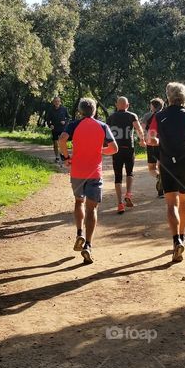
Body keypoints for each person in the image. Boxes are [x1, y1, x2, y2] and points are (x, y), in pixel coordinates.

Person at [146, 83, 185, 263]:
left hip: (166, 161)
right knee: (183, 198)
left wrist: (158, 142)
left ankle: (175, 240)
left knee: (171, 202)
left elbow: (150, 138)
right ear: (184, 97)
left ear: (168, 97)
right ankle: (183, 235)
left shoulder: (159, 116)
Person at [57, 98, 118, 264]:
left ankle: (79, 234)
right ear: (95, 110)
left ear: (80, 111)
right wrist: (100, 150)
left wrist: (66, 157)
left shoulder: (73, 125)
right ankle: (88, 246)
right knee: (92, 209)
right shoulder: (102, 126)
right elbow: (114, 149)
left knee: (79, 202)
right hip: (94, 172)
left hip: (77, 170)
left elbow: (62, 139)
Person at [106, 96, 146, 214]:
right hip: (129, 148)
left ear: (116, 105)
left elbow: (106, 133)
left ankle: (119, 204)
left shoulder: (111, 117)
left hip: (116, 150)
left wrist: (106, 146)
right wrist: (142, 140)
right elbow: (139, 129)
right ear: (127, 105)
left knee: (118, 176)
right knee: (130, 172)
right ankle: (128, 193)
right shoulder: (132, 115)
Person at [140, 98, 165, 198]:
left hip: (152, 143)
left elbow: (142, 129)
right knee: (162, 165)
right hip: (163, 143)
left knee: (151, 168)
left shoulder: (147, 116)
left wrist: (143, 139)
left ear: (153, 106)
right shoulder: (165, 115)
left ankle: (159, 177)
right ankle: (161, 189)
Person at [46, 97, 71, 163]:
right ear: (53, 102)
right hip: (54, 129)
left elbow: (68, 118)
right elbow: (48, 119)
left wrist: (65, 122)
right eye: (55, 101)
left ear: (60, 102)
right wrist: (50, 125)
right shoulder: (50, 110)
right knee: (55, 144)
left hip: (62, 128)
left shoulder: (64, 109)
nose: (57, 102)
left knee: (62, 143)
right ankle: (57, 157)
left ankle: (63, 155)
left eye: (58, 101)